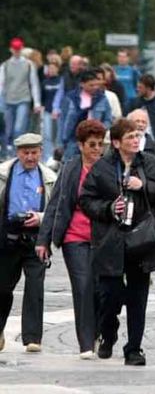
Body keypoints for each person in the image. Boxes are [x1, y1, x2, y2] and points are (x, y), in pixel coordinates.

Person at [80, 118, 155, 365]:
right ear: (116, 142)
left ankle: (134, 348)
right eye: (130, 137)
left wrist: (143, 185)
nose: (135, 141)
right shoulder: (102, 168)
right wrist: (109, 208)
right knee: (109, 295)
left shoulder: (150, 163)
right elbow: (86, 201)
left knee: (137, 297)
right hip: (111, 241)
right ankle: (108, 333)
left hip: (142, 239)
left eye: (137, 136)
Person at [36, 120, 106, 358]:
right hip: (74, 237)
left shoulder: (109, 168)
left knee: (101, 289)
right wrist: (43, 240)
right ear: (81, 145)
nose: (97, 149)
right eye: (92, 145)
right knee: (83, 285)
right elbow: (55, 204)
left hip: (103, 239)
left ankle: (99, 330)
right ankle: (85, 343)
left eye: (100, 144)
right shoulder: (70, 168)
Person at [0, 133, 57, 354]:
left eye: (34, 152)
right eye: (26, 152)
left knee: (35, 287)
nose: (30, 157)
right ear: (18, 153)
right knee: (2, 288)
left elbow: (55, 209)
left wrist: (41, 218)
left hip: (36, 240)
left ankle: (33, 338)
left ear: (41, 152)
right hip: (7, 238)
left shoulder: (49, 176)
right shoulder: (4, 173)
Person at [57, 68, 113, 161]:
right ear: (82, 84)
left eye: (96, 85)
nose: (95, 87)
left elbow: (108, 119)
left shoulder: (102, 99)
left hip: (94, 139)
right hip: (73, 139)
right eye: (91, 85)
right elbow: (62, 121)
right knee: (69, 166)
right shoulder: (70, 98)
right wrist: (60, 143)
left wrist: (101, 128)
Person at [0, 38, 42, 157]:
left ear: (22, 49)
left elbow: (34, 84)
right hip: (8, 100)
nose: (17, 51)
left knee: (19, 128)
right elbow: (1, 84)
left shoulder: (29, 65)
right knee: (7, 130)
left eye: (19, 49)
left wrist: (37, 103)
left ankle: (16, 154)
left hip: (23, 99)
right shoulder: (5, 65)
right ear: (11, 50)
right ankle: (8, 153)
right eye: (15, 49)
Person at [128, 74, 155, 146]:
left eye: (140, 87)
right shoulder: (135, 103)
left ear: (148, 88)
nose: (138, 89)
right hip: (139, 143)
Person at [40, 58, 62, 163]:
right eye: (50, 68)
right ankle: (47, 157)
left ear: (58, 69)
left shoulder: (61, 80)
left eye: (53, 68)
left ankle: (57, 156)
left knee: (58, 135)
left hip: (59, 111)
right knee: (47, 134)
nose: (51, 70)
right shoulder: (45, 82)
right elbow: (42, 97)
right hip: (47, 111)